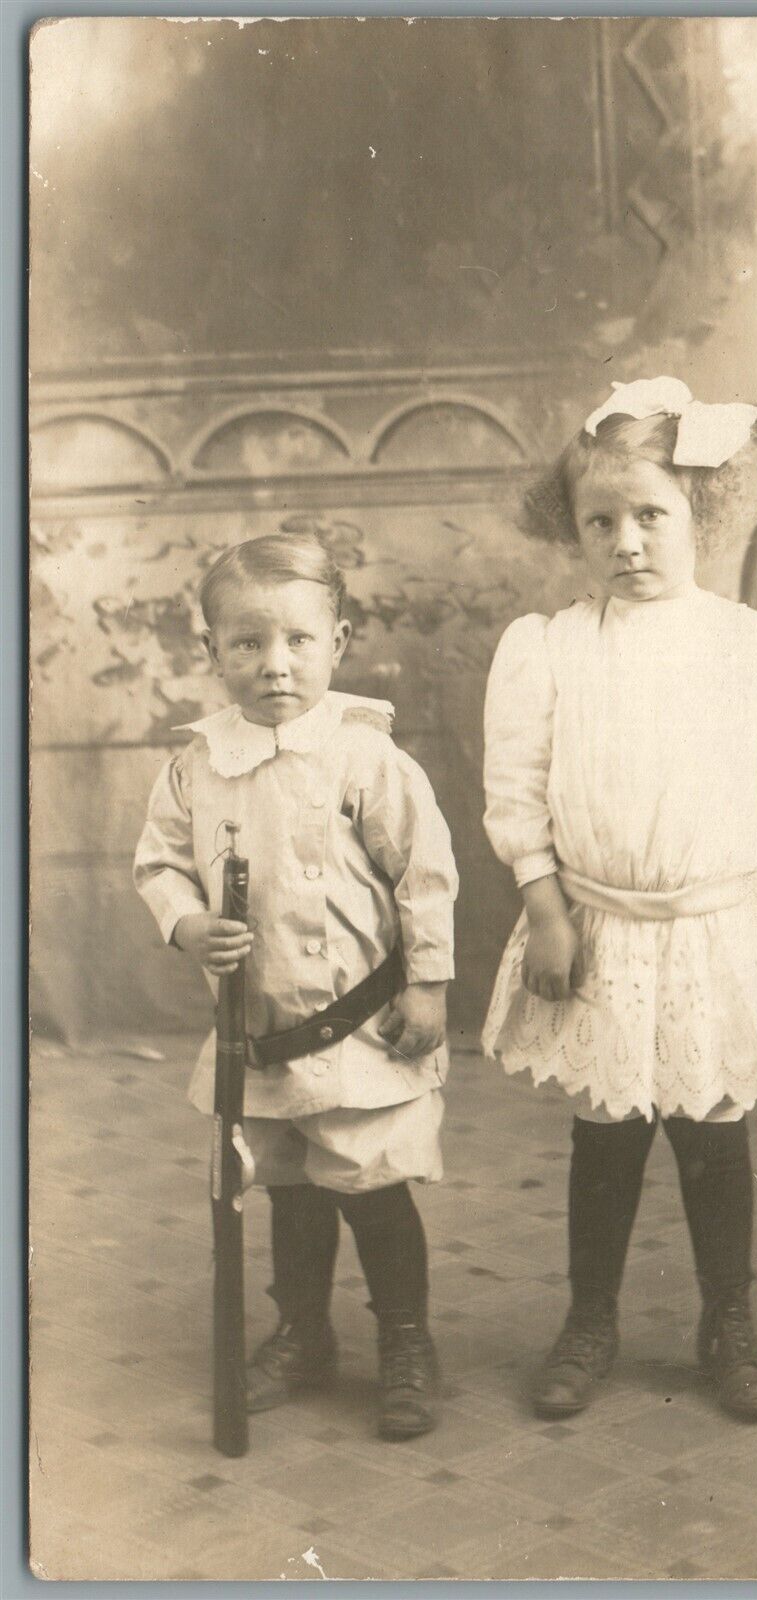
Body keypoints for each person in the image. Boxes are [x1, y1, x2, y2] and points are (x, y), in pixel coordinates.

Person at [482, 377, 757, 1424]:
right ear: (574, 530)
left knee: (711, 1131)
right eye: (602, 521)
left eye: (652, 514)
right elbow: (516, 793)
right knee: (605, 1134)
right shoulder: (549, 649)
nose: (627, 541)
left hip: (713, 931)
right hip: (595, 926)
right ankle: (590, 1318)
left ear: (703, 512)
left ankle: (726, 1319)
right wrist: (547, 910)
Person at [134, 531, 458, 1441]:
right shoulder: (196, 764)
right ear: (212, 652)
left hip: (359, 1029)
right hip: (259, 1032)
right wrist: (188, 921)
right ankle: (303, 1332)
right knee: (289, 1187)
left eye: (298, 642)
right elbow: (159, 863)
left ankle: (405, 1338)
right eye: (247, 644)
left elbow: (423, 877)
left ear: (340, 641)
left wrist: (427, 986)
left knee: (373, 1186)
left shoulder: (367, 759)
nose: (274, 666)